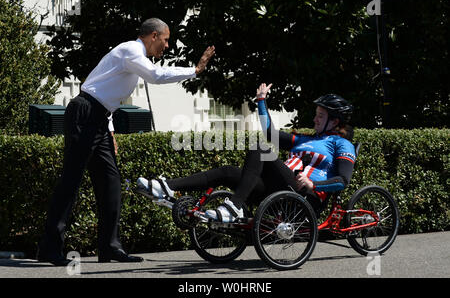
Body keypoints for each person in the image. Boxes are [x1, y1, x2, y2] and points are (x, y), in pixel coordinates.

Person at [37, 18, 215, 266]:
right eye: (165, 41)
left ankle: (109, 247)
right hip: (84, 115)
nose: (166, 47)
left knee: (111, 184)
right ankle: (50, 247)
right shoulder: (131, 50)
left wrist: (108, 131)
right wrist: (193, 71)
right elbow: (156, 75)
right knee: (71, 182)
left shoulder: (132, 59)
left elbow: (106, 97)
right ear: (153, 36)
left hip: (98, 120)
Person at [137, 83, 356, 223]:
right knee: (229, 171)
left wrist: (313, 184)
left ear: (334, 121)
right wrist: (261, 101)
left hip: (304, 198)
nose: (315, 119)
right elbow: (269, 132)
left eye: (320, 116)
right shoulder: (305, 139)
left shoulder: (341, 144)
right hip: (279, 191)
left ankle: (234, 206)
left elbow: (343, 181)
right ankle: (166, 187)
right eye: (316, 115)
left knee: (259, 148)